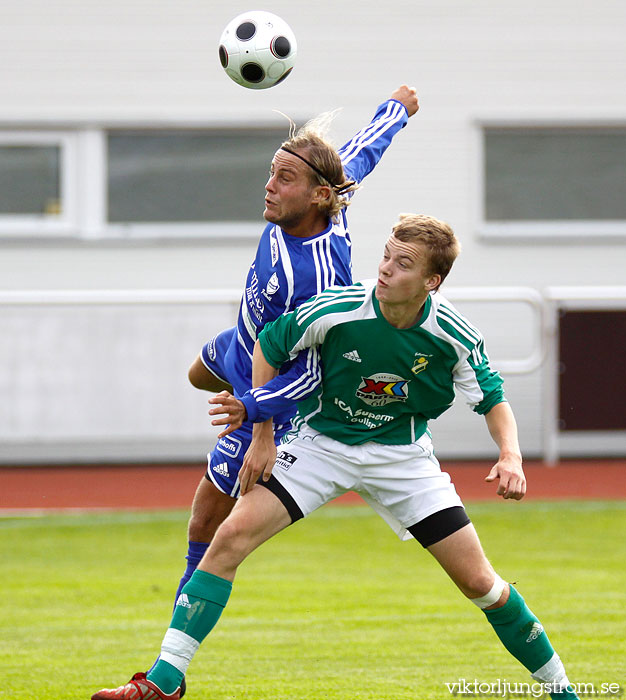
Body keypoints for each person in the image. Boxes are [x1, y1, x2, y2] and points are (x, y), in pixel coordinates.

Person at [92, 214, 580, 700]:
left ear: (431, 281)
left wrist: (510, 456)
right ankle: (164, 681)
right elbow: (269, 345)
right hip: (320, 445)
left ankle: (562, 691)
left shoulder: (452, 332)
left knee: (480, 582)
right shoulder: (339, 307)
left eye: (402, 263)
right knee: (229, 540)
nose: (386, 269)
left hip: (402, 458)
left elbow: (493, 399)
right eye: (386, 255)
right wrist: (262, 431)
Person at [140, 85, 419, 697]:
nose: (269, 185)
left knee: (207, 518)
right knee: (195, 375)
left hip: (274, 391)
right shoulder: (325, 198)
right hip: (239, 348)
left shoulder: (318, 276)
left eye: (284, 177)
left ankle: (173, 656)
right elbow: (361, 153)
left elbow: (316, 370)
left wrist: (261, 425)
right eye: (272, 171)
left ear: (318, 196)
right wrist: (396, 110)